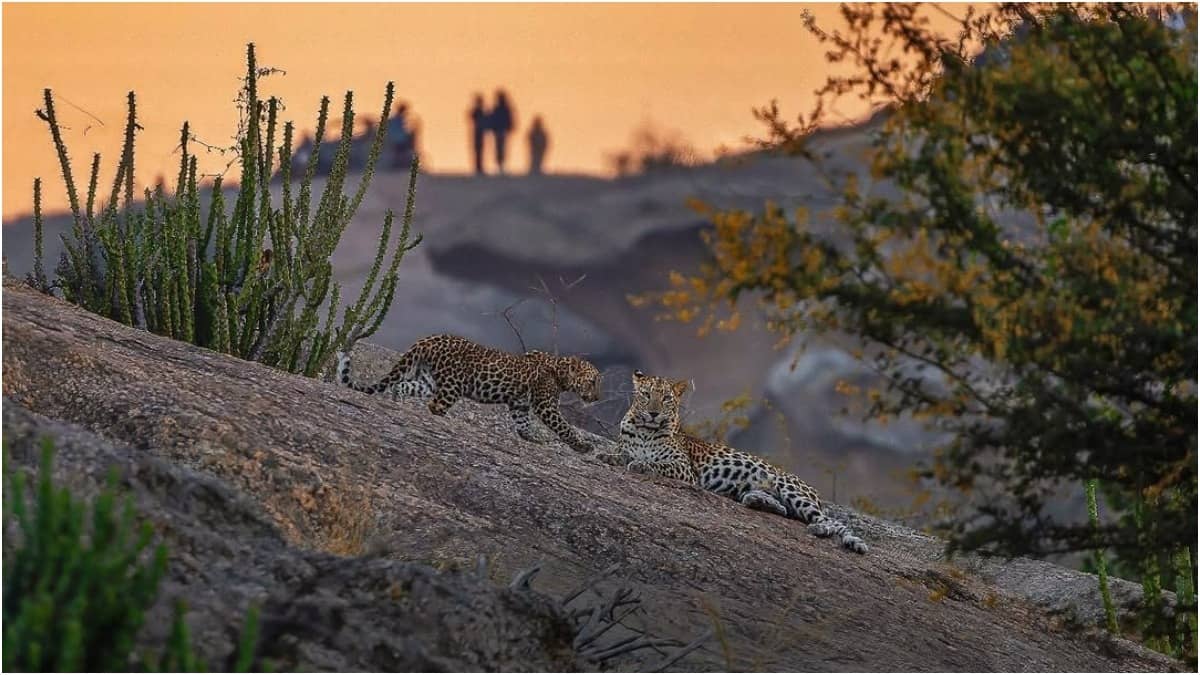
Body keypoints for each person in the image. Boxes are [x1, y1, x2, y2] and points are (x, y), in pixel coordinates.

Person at [490, 90, 515, 175]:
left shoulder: (503, 108)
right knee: (500, 148)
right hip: (499, 131)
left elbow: (509, 119)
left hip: (501, 131)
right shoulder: (501, 108)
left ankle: (501, 164)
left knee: (501, 148)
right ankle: (500, 164)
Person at [468, 94, 487, 175]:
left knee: (479, 150)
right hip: (478, 133)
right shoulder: (478, 111)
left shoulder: (480, 111)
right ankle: (478, 167)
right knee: (478, 150)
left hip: (479, 133)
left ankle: (479, 167)